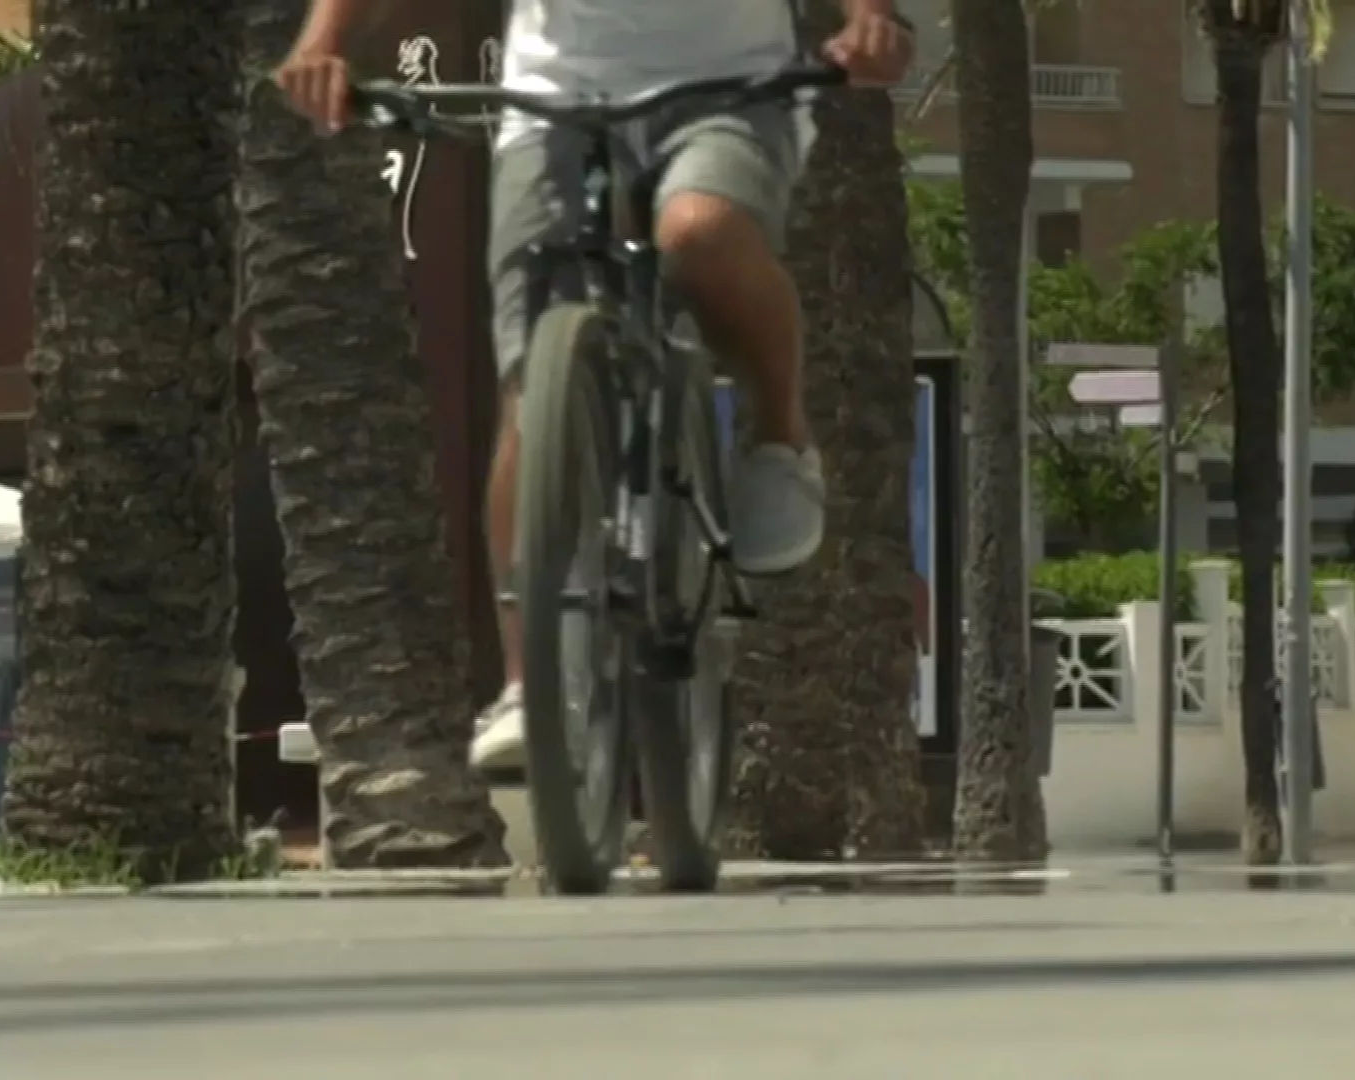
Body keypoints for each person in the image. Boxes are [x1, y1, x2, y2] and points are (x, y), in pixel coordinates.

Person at [273, 0, 914, 771]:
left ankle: (779, 430)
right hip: (551, 104)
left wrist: (872, 20)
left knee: (696, 234)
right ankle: (529, 688)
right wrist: (323, 46)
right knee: (529, 385)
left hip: (732, 95)